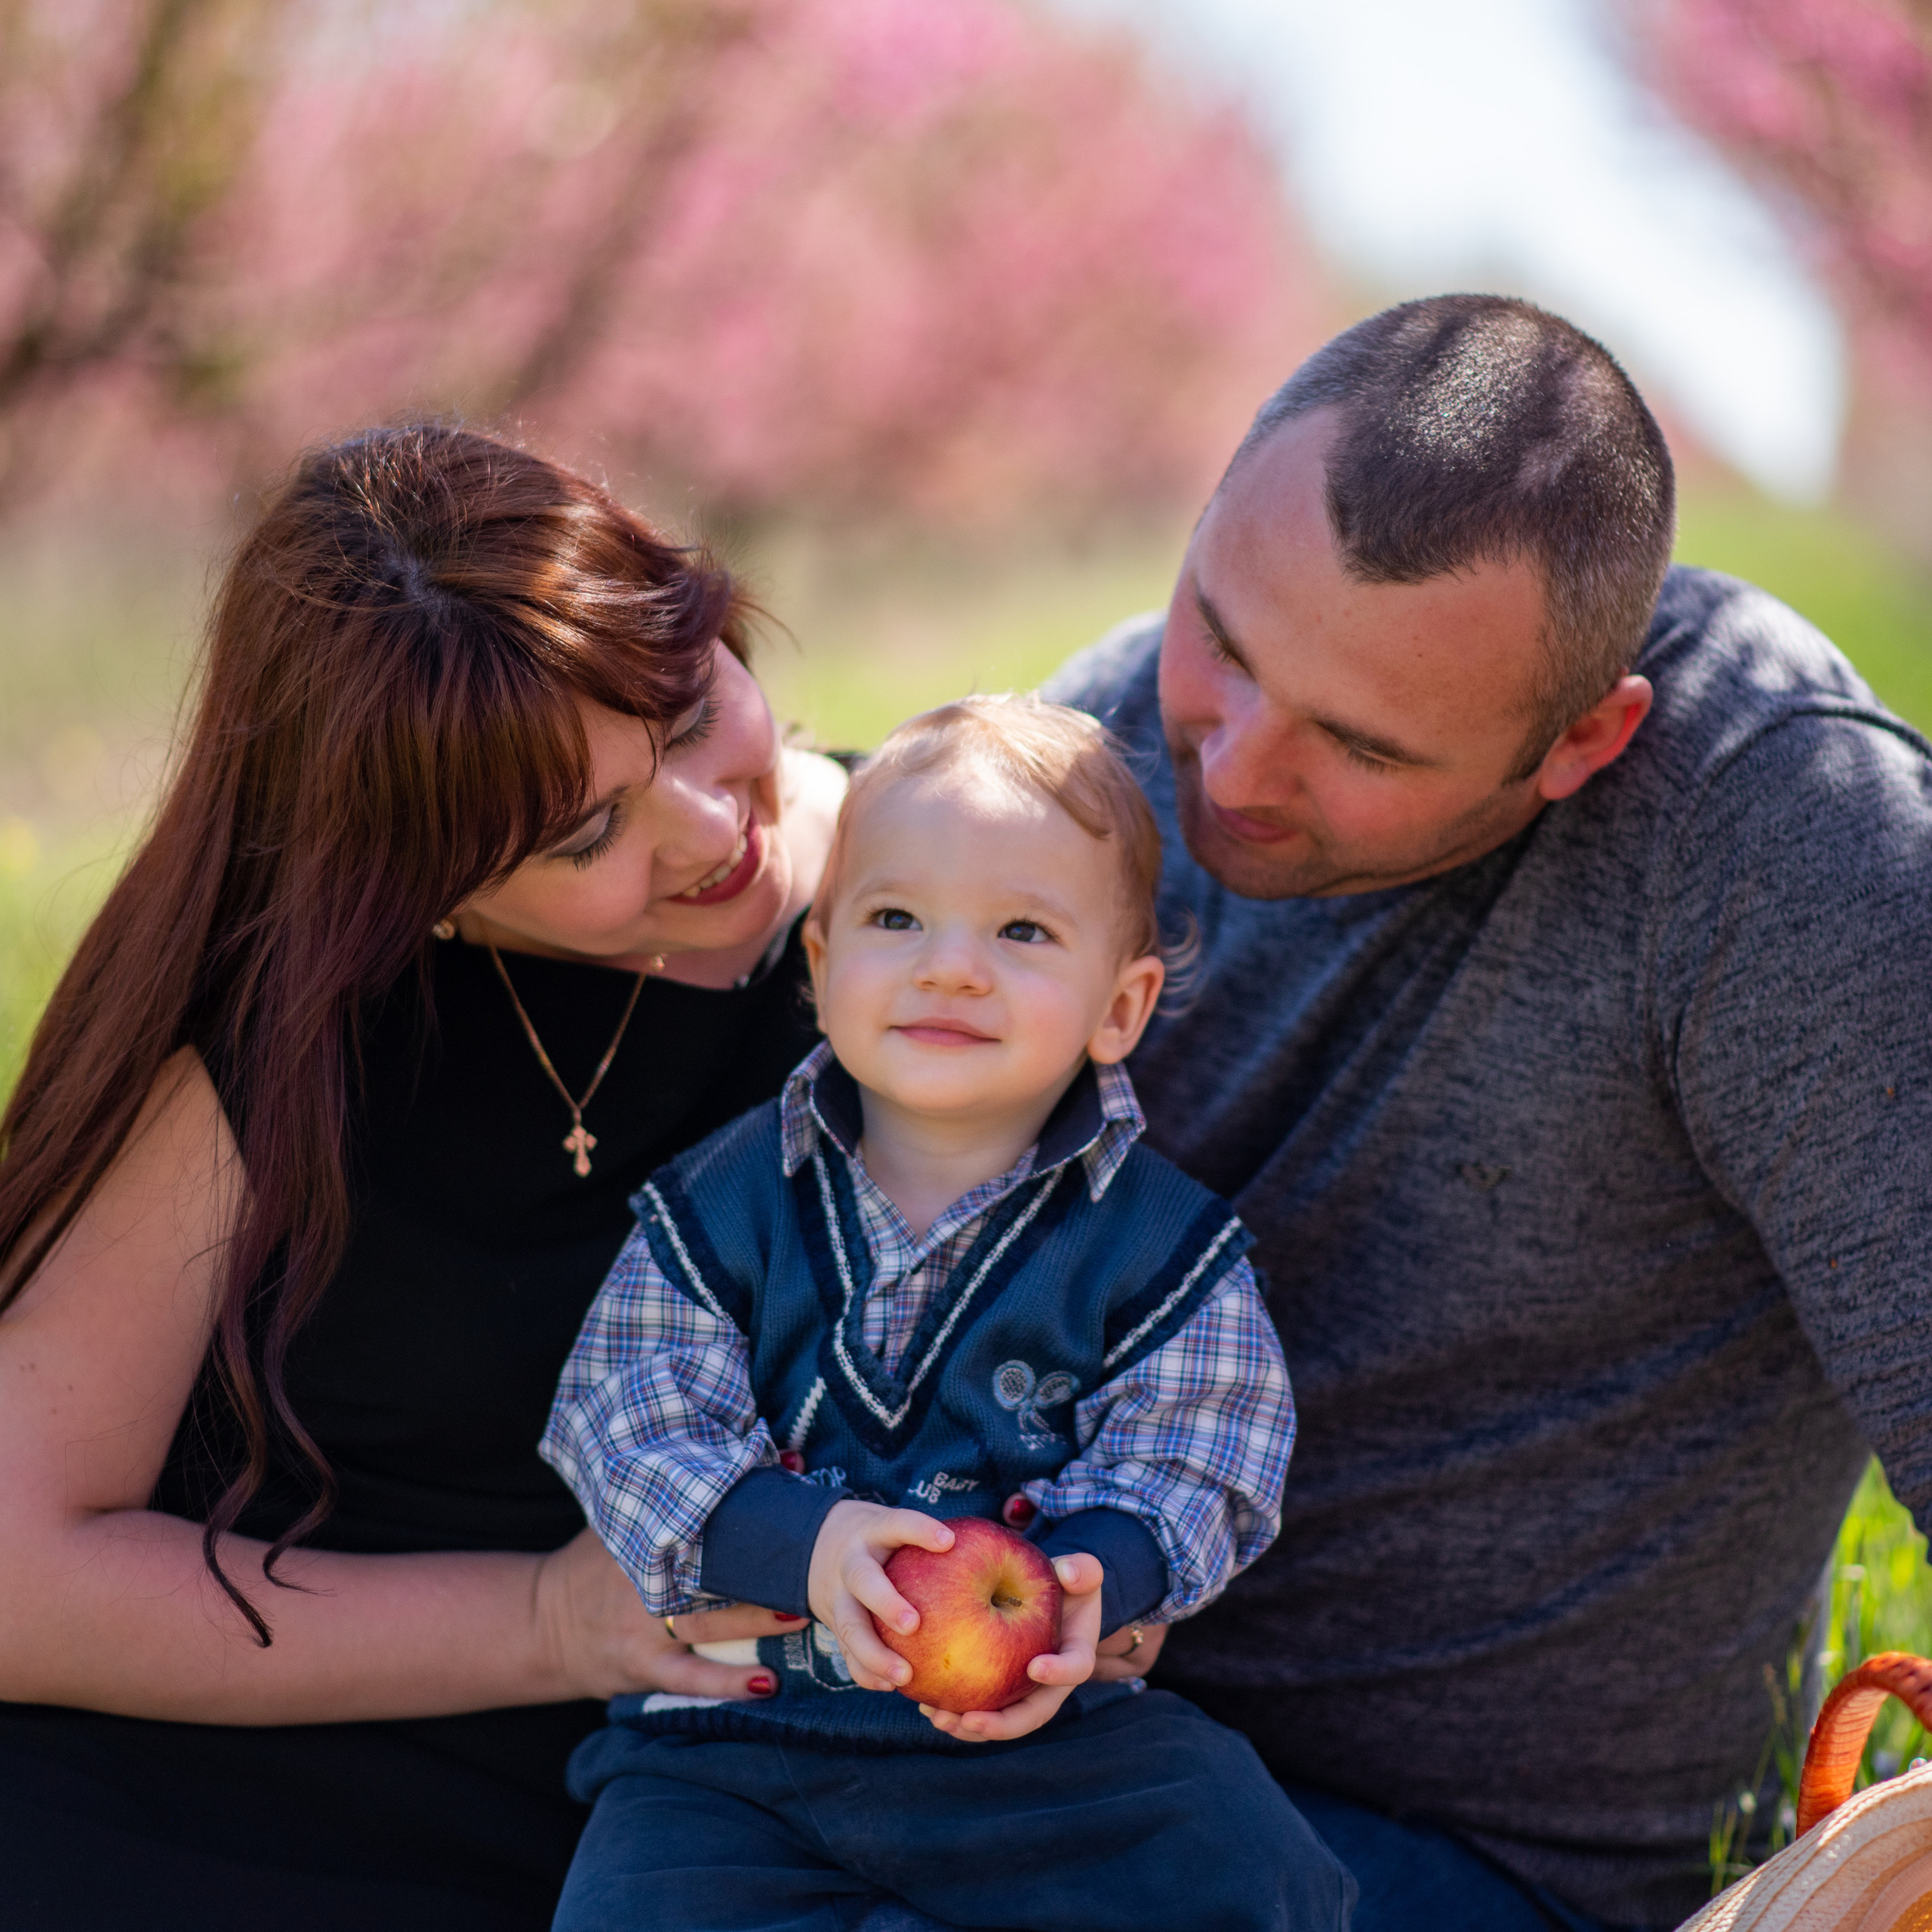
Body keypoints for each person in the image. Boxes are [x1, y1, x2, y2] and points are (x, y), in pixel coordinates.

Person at [1038, 294, 1932, 1931]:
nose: (1227, 768)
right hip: (1024, 1751)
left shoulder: (1774, 833)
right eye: (1221, 637)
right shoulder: (1087, 749)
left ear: (1583, 739)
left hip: (1454, 1859)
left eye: (1359, 743)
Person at [0, 422, 884, 1931]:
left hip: (693, 1825)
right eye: (583, 831)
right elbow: (20, 1572)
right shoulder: (278, 1036)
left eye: (681, 712)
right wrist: (545, 1619)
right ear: (414, 879)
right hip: (209, 1784)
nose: (704, 828)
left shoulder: (937, 889)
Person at [540, 694, 1351, 1932]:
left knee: (1246, 1859)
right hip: (738, 1742)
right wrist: (800, 1549)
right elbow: (628, 1418)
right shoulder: (727, 1205)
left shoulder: (1157, 1245)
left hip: (1043, 1742)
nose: (950, 966)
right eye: (896, 918)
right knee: (628, 1910)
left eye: (1022, 930)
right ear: (821, 967)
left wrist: (1102, 1578)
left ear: (1119, 1008)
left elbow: (1214, 1445)